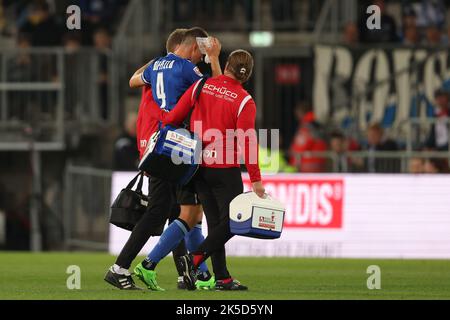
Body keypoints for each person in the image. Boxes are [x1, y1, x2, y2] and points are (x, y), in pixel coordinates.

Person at [105, 27, 222, 291]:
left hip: (157, 143)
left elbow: (133, 80)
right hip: (173, 144)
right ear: (194, 47)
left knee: (173, 211)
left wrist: (160, 59)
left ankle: (187, 274)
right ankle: (120, 268)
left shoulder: (157, 66)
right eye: (198, 53)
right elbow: (216, 93)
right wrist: (214, 59)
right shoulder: (184, 68)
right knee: (159, 211)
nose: (197, 59)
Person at [160, 49, 265, 290]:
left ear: (226, 65)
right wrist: (256, 179)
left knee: (216, 223)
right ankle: (194, 258)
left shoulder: (201, 85)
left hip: (197, 167)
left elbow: (174, 117)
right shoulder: (244, 100)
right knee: (233, 222)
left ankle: (223, 278)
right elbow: (247, 140)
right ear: (247, 75)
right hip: (224, 169)